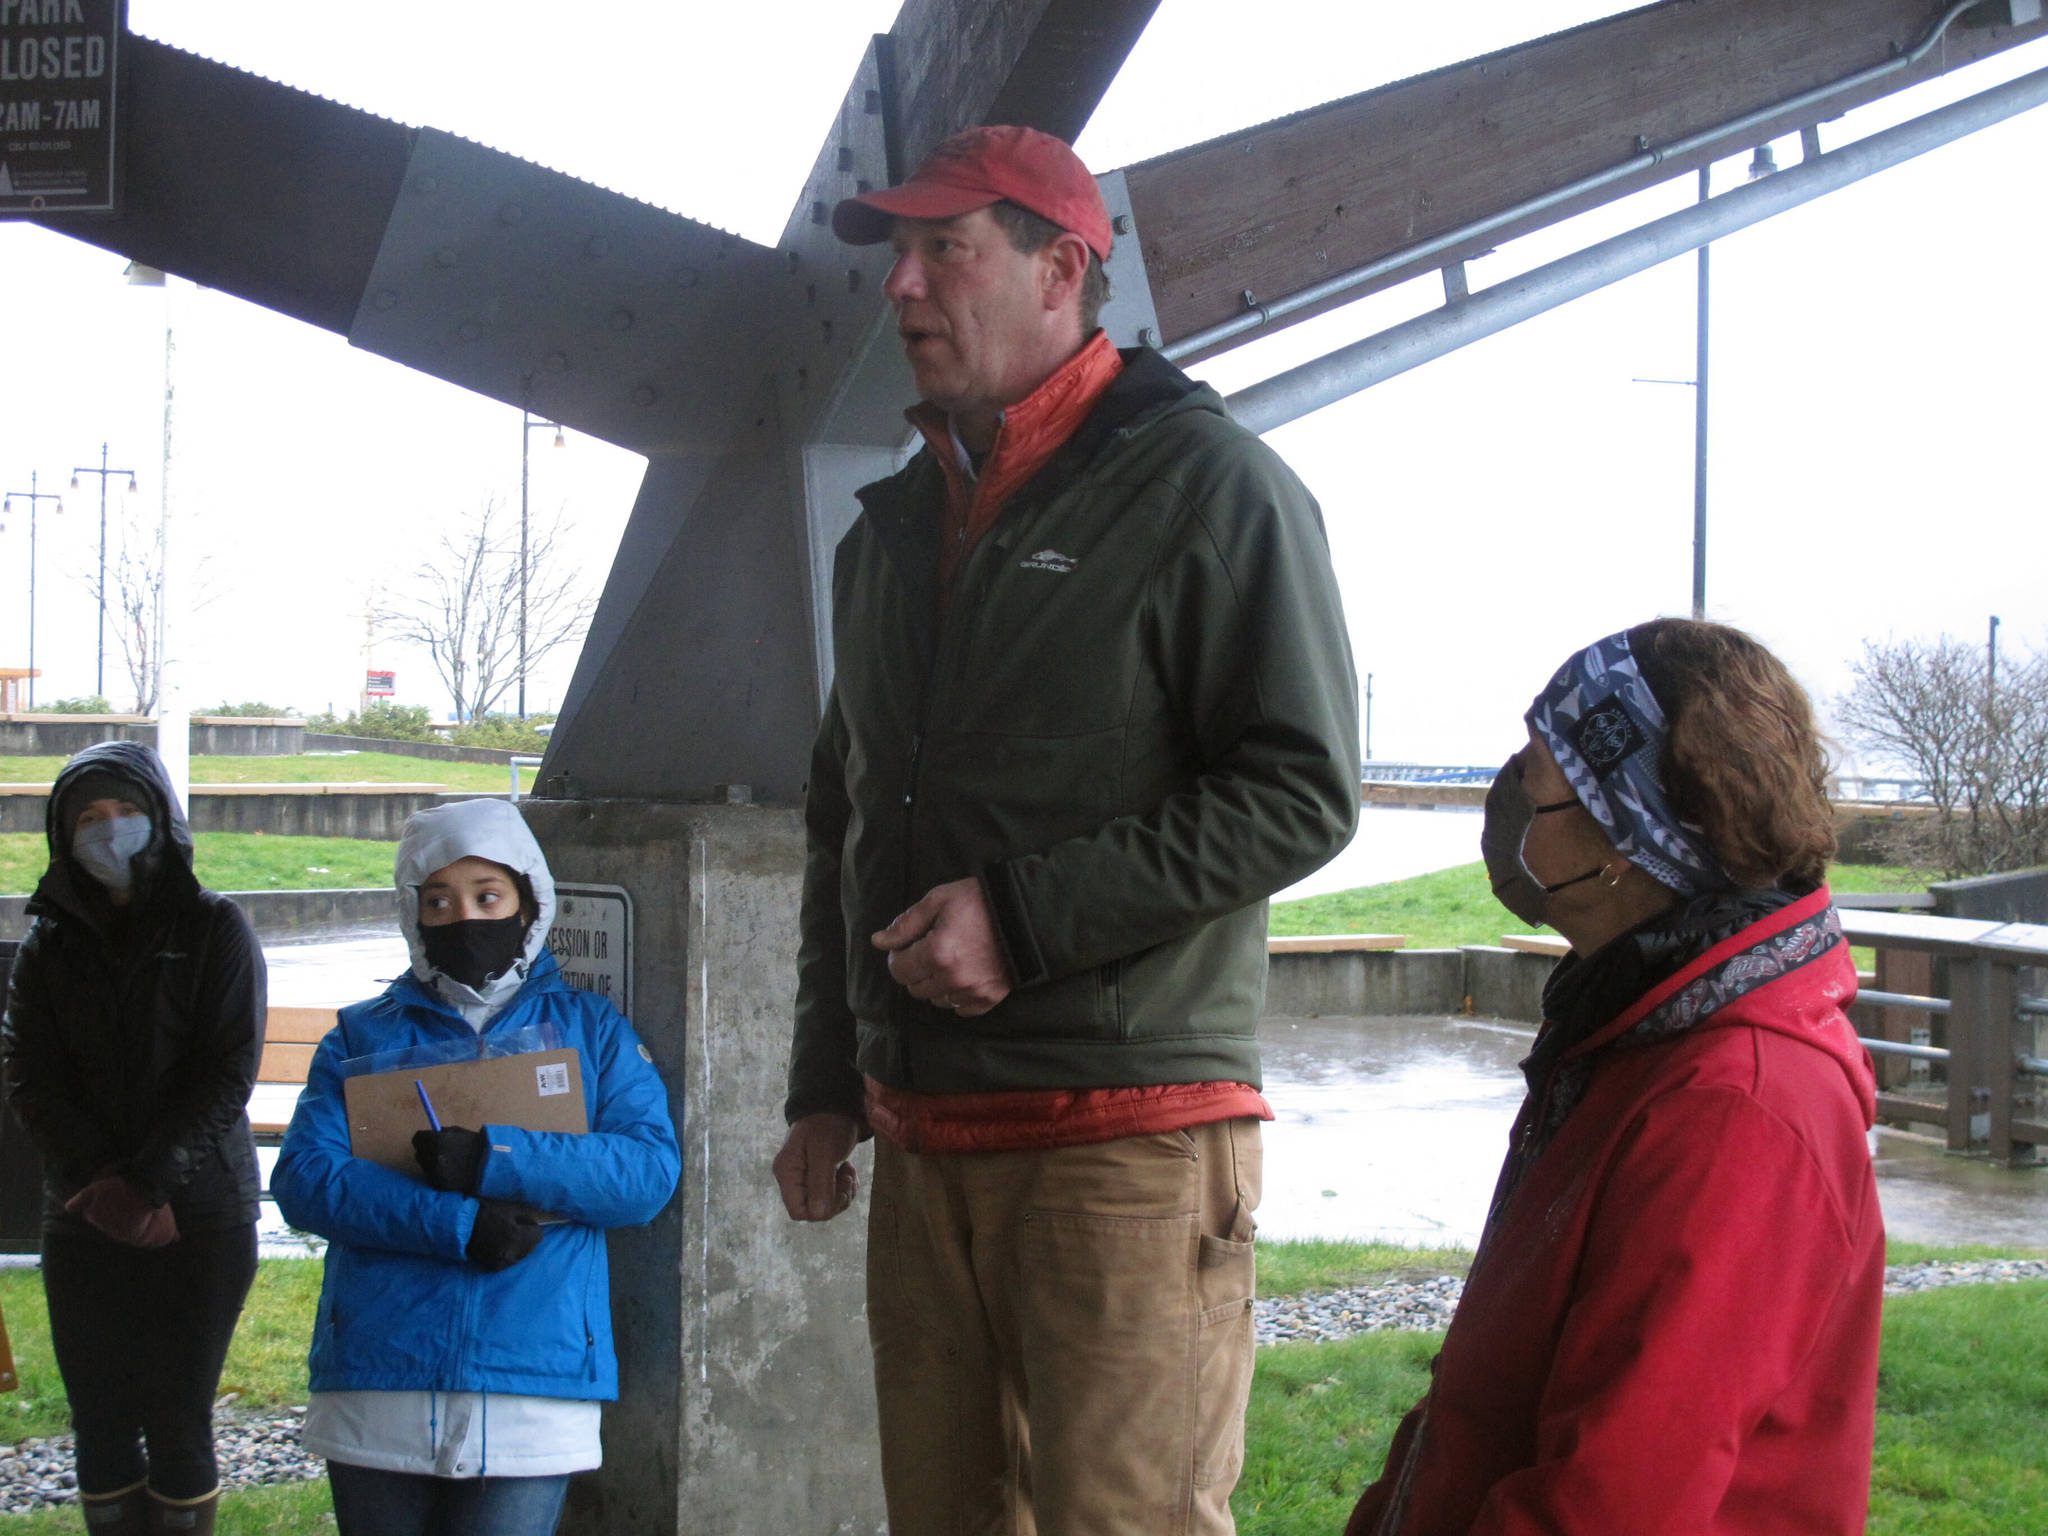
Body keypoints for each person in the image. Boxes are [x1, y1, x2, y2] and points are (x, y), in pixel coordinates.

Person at [772, 124, 1360, 1535]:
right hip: (924, 1145)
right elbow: (844, 813)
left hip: (1129, 1149)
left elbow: (1302, 789)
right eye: (896, 258)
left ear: (1062, 268)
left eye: (942, 251)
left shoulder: (1212, 490)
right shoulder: (887, 533)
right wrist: (823, 1079)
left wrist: (1025, 919)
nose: (902, 289)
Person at [1346, 618, 1885, 1536]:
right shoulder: (1640, 1036)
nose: (1509, 796)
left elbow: (1615, 1497)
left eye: (1537, 774)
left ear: (1622, 830)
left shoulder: (1734, 1107)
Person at [273, 797, 679, 1536]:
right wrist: (456, 1224)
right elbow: (306, 1179)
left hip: (536, 1382)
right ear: (413, 913)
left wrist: (496, 1158)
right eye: (439, 901)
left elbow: (645, 1172)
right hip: (379, 1379)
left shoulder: (594, 1033)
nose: (466, 918)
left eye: (488, 896)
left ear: (530, 901)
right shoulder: (359, 1039)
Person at [1, 741, 265, 1536]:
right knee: (101, 1420)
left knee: (179, 1417)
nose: (109, 832)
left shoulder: (216, 927)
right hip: (82, 1214)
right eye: (89, 818)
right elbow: (29, 1071)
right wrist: (103, 1184)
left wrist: (151, 1184)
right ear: (62, 833)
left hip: (202, 1214)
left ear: (159, 822)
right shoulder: (48, 946)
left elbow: (227, 1072)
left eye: (126, 813)